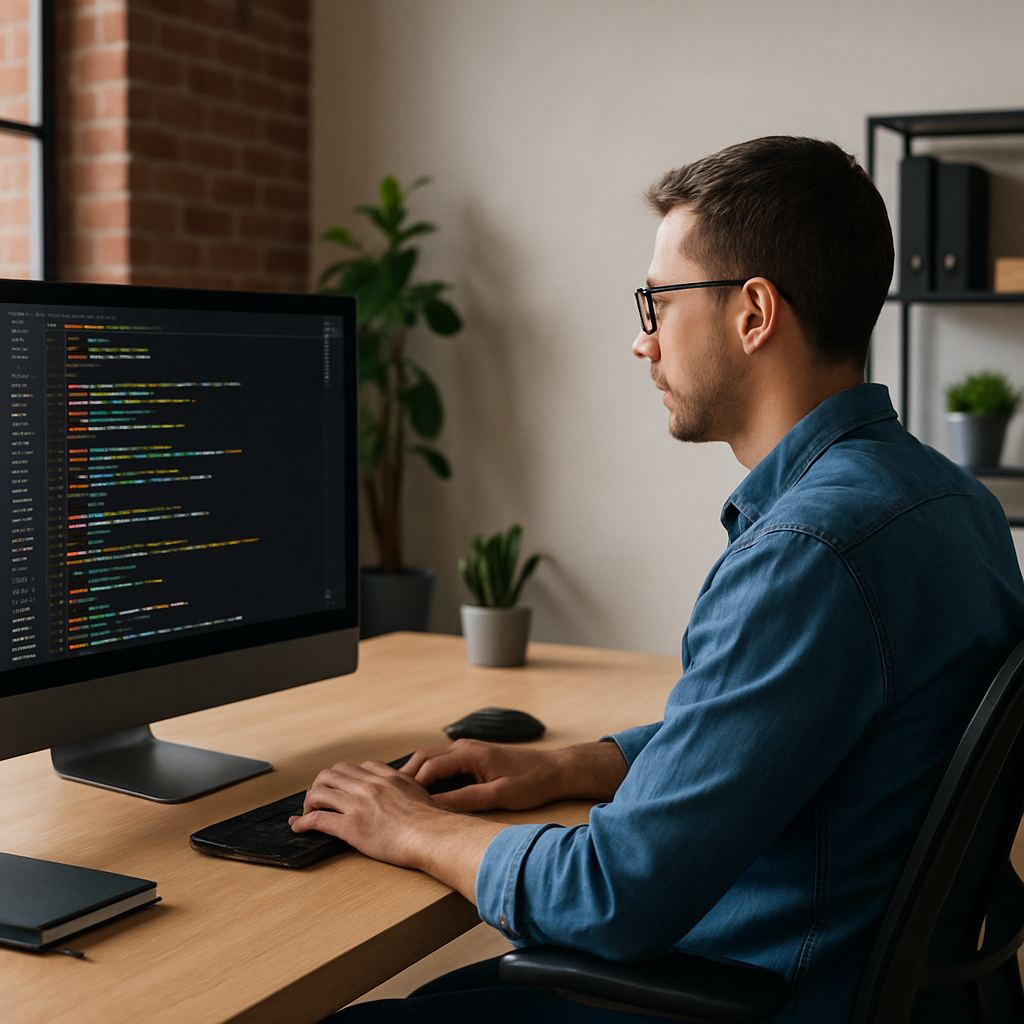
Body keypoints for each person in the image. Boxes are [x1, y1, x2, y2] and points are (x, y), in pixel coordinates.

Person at [295, 136, 1024, 1023]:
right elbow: (777, 729)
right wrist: (568, 766)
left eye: (659, 301)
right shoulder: (953, 502)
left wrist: (412, 825)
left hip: (762, 991)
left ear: (753, 314)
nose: (642, 341)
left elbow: (613, 896)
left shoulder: (809, 552)